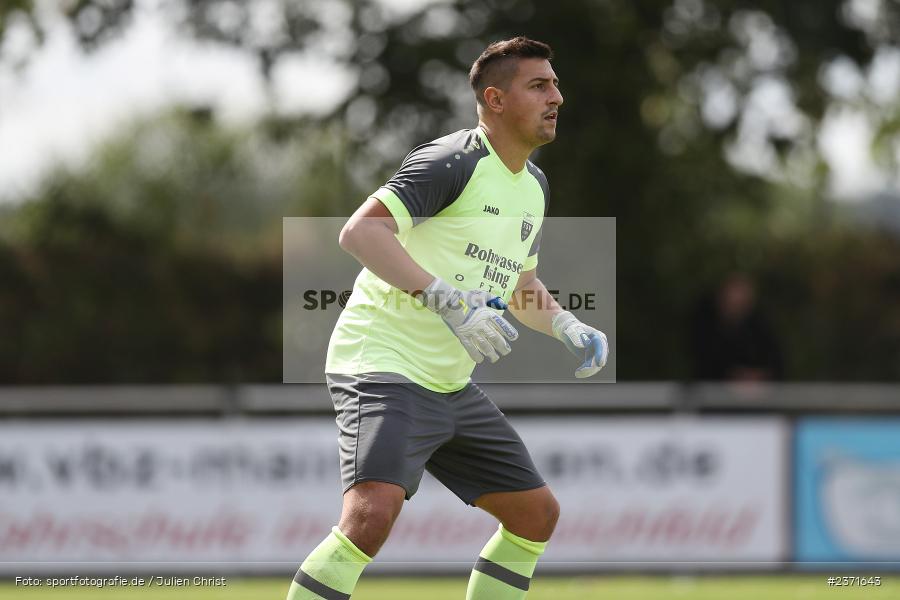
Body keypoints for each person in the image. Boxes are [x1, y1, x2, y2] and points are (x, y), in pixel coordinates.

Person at [286, 37, 609, 600]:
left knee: (535, 516)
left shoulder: (534, 188)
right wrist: (444, 297)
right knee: (371, 516)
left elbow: (520, 284)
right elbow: (360, 232)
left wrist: (564, 324)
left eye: (555, 84)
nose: (557, 96)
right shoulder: (454, 160)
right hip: (382, 364)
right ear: (496, 98)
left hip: (449, 383)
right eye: (539, 85)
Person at [690, 272, 784, 382]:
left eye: (741, 302)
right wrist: (733, 375)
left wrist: (757, 376)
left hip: (755, 393)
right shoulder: (704, 323)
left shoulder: (760, 325)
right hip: (713, 390)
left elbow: (776, 361)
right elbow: (703, 360)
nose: (736, 304)